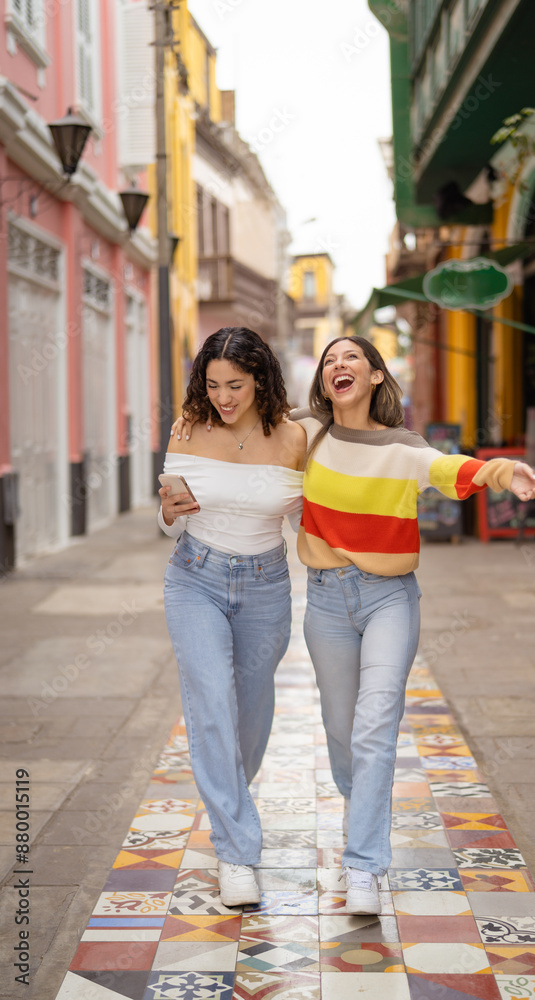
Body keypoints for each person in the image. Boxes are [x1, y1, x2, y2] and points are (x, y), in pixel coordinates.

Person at [289, 336, 535, 914]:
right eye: (330, 360)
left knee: (374, 725)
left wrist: (505, 471)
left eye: (351, 358)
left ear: (376, 377)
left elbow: (450, 468)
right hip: (325, 603)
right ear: (323, 381)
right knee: (341, 734)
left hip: (389, 600)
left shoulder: (403, 447)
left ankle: (363, 865)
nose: (339, 366)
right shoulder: (306, 434)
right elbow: (247, 438)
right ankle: (363, 817)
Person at [159, 327, 306, 907]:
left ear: (261, 379)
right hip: (195, 577)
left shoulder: (294, 438)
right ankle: (237, 850)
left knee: (252, 710)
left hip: (267, 584)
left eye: (236, 385)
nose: (224, 396)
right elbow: (168, 521)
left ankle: (228, 797)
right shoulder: (187, 429)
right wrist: (168, 513)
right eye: (214, 384)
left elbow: (304, 524)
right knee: (212, 700)